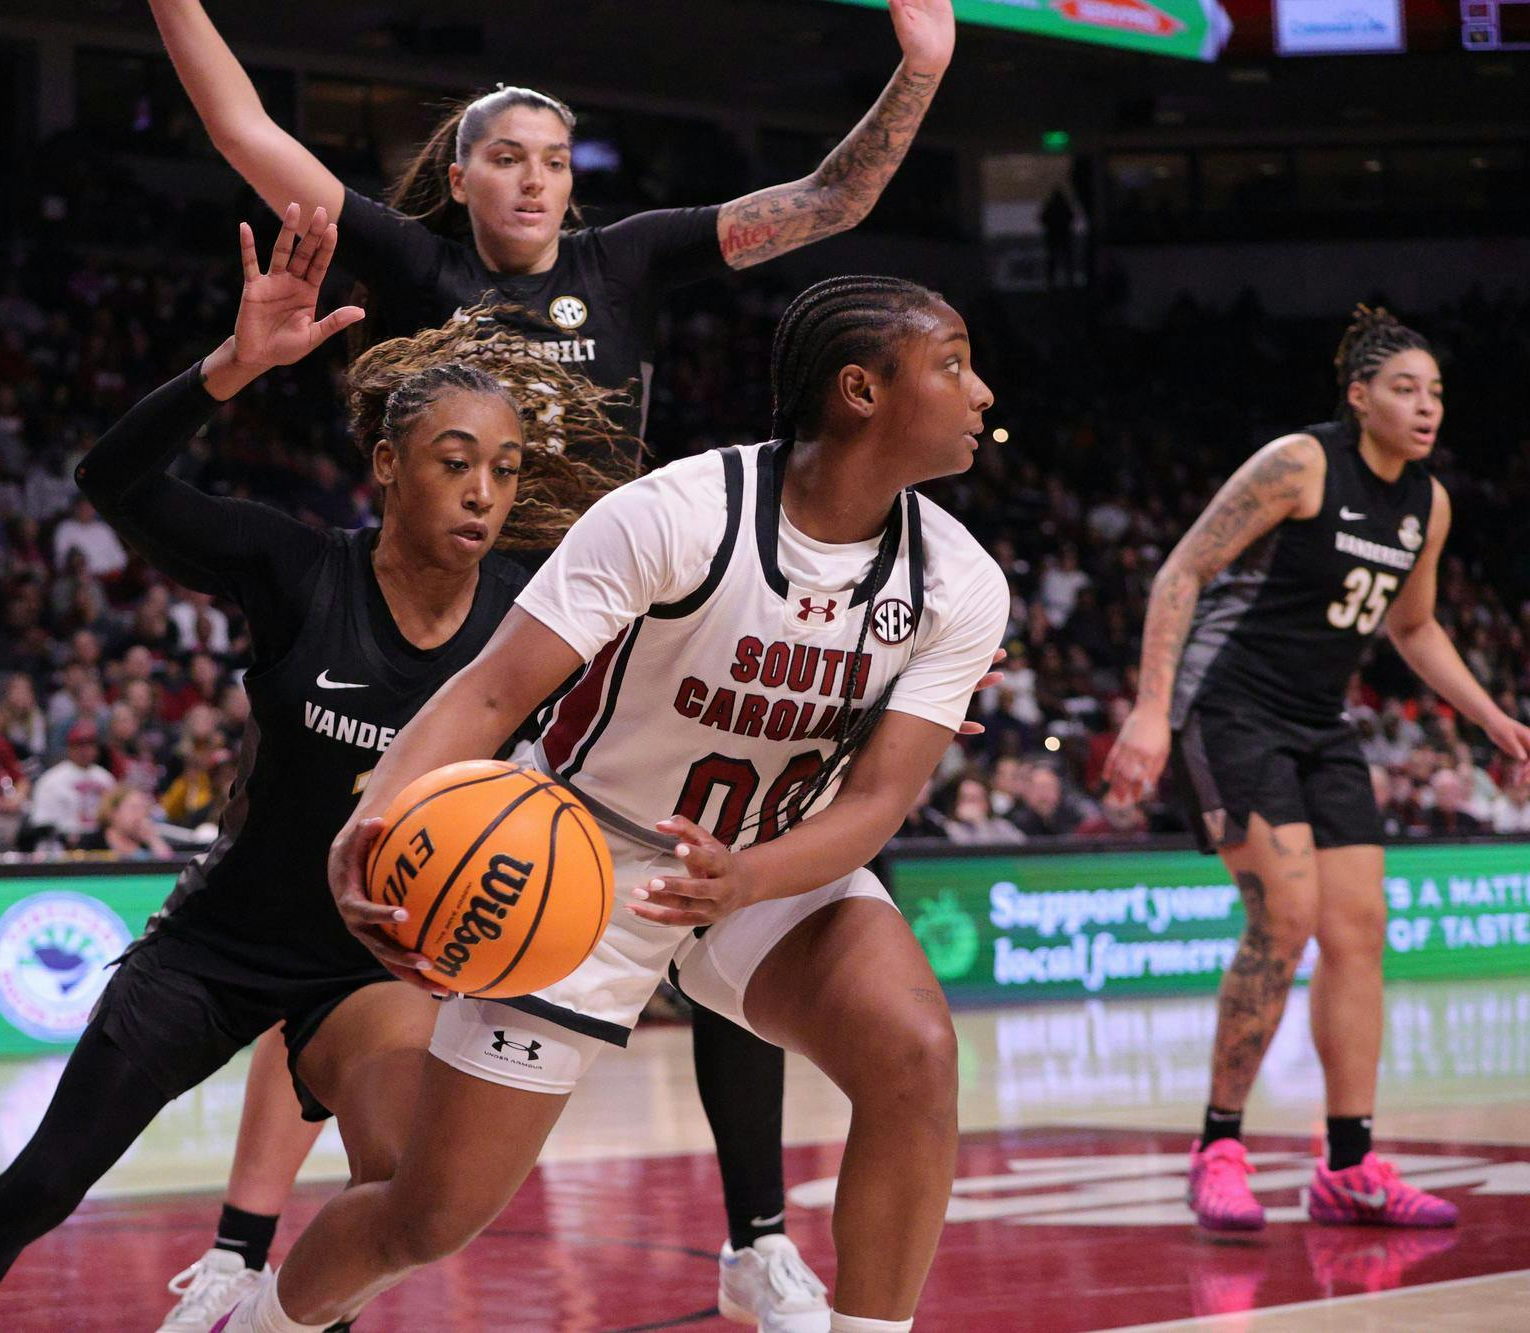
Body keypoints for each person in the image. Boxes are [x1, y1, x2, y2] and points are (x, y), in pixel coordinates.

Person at [147, 0, 958, 1315]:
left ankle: (759, 1241)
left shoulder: (627, 259)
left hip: (626, 647)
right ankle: (244, 1255)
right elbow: (244, 130)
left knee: (725, 902)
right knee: (339, 924)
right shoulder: (411, 262)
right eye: (507, 155)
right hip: (466, 631)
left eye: (553, 157)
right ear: (461, 174)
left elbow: (827, 202)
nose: (533, 176)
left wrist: (921, 66)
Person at [0, 209, 634, 1333]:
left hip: (369, 966)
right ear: (386, 464)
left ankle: (270, 1316)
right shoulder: (295, 569)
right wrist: (230, 369)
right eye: (455, 462)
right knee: (42, 1184)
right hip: (219, 947)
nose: (484, 490)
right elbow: (113, 479)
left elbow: (679, 637)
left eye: (506, 470)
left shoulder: (530, 610)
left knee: (402, 1191)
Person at [216, 274, 1007, 1333]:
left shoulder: (957, 578)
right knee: (428, 1215)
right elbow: (491, 689)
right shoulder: (676, 514)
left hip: (768, 861)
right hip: (572, 858)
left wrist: (747, 877)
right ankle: (264, 1325)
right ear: (859, 391)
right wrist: (366, 829)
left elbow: (874, 803)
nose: (981, 392)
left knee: (913, 1056)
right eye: (951, 363)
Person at [1107, 305, 1530, 1233]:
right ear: (1359, 395)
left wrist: (1494, 716)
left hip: (1320, 721)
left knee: (1361, 928)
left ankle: (1349, 1164)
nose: (1427, 408)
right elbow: (1181, 572)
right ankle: (1219, 1145)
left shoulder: (1428, 502)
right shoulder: (1299, 462)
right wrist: (1148, 707)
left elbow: (1412, 628)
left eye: (1438, 393)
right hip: (1226, 709)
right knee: (1285, 914)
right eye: (1406, 389)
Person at [28, 722, 118, 848]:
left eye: (90, 745)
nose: (86, 751)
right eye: (80, 746)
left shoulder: (105, 778)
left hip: (98, 843)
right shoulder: (51, 779)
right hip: (63, 844)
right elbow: (42, 823)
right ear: (70, 748)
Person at [78, 784, 174, 860]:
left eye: (144, 809)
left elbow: (169, 867)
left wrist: (154, 840)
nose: (140, 814)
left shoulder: (147, 844)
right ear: (113, 812)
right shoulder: (91, 843)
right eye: (134, 808)